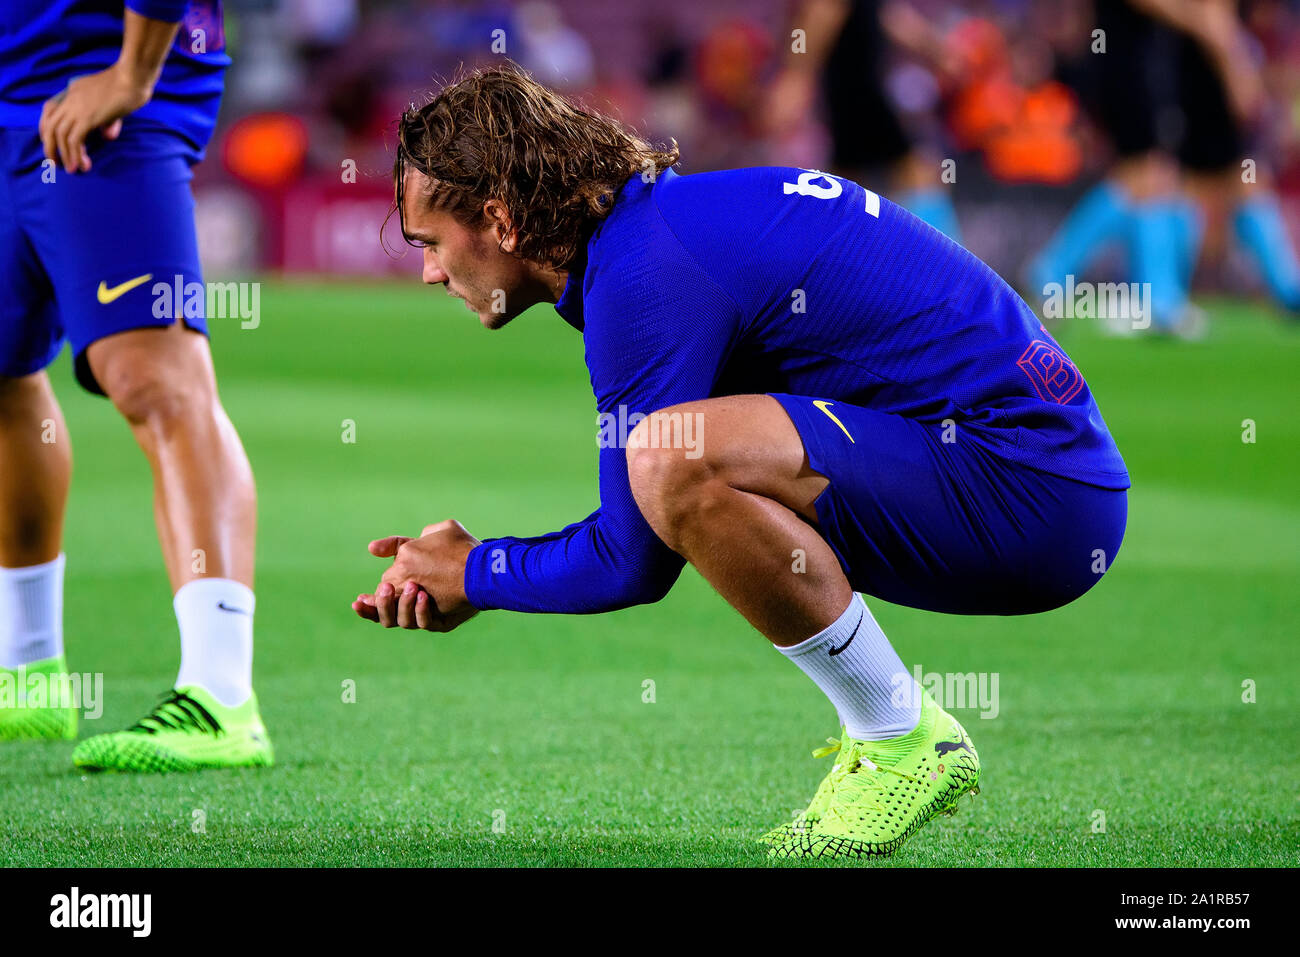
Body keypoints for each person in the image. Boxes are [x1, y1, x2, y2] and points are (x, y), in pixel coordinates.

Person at [356, 65, 1129, 858]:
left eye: (430, 244)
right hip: (1044, 479)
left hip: (1033, 491)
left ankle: (900, 739)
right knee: (674, 456)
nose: (429, 273)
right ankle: (893, 734)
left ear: (499, 220)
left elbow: (632, 561)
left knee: (670, 456)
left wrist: (474, 571)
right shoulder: (659, 231)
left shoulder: (643, 275)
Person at [0, 0, 271, 772]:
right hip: (11, 87)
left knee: (154, 379)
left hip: (106, 87)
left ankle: (221, 695)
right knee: (6, 372)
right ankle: (26, 672)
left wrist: (132, 72)